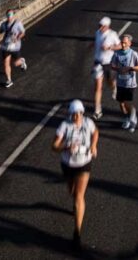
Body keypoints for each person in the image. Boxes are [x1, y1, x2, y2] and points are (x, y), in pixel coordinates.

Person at [52, 99, 99, 248]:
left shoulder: (88, 123)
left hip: (84, 163)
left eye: (78, 114)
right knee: (72, 192)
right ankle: (76, 207)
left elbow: (96, 132)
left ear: (82, 113)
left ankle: (77, 232)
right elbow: (54, 145)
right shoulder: (64, 126)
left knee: (79, 195)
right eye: (73, 114)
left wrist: (93, 145)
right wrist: (66, 147)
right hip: (68, 164)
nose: (76, 117)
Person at [110, 34, 138, 132]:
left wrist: (130, 68)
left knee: (127, 102)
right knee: (121, 103)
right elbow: (112, 65)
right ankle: (127, 117)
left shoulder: (133, 54)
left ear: (130, 43)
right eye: (122, 43)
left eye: (125, 43)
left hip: (130, 83)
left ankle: (133, 120)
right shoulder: (117, 54)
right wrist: (117, 68)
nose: (123, 45)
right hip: (120, 82)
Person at [92, 17, 121, 120]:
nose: (100, 28)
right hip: (98, 63)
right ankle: (97, 110)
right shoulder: (97, 33)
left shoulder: (112, 34)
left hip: (109, 63)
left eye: (102, 26)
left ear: (107, 26)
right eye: (99, 26)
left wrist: (109, 48)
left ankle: (114, 88)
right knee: (98, 87)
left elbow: (120, 46)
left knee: (110, 82)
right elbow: (96, 44)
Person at [0, 9, 27, 88]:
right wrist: (0, 38)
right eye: (7, 15)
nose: (9, 17)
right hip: (5, 47)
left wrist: (17, 38)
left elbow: (23, 32)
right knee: (6, 63)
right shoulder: (3, 24)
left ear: (13, 15)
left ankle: (22, 61)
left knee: (15, 63)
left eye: (10, 15)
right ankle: (9, 80)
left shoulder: (17, 23)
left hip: (15, 47)